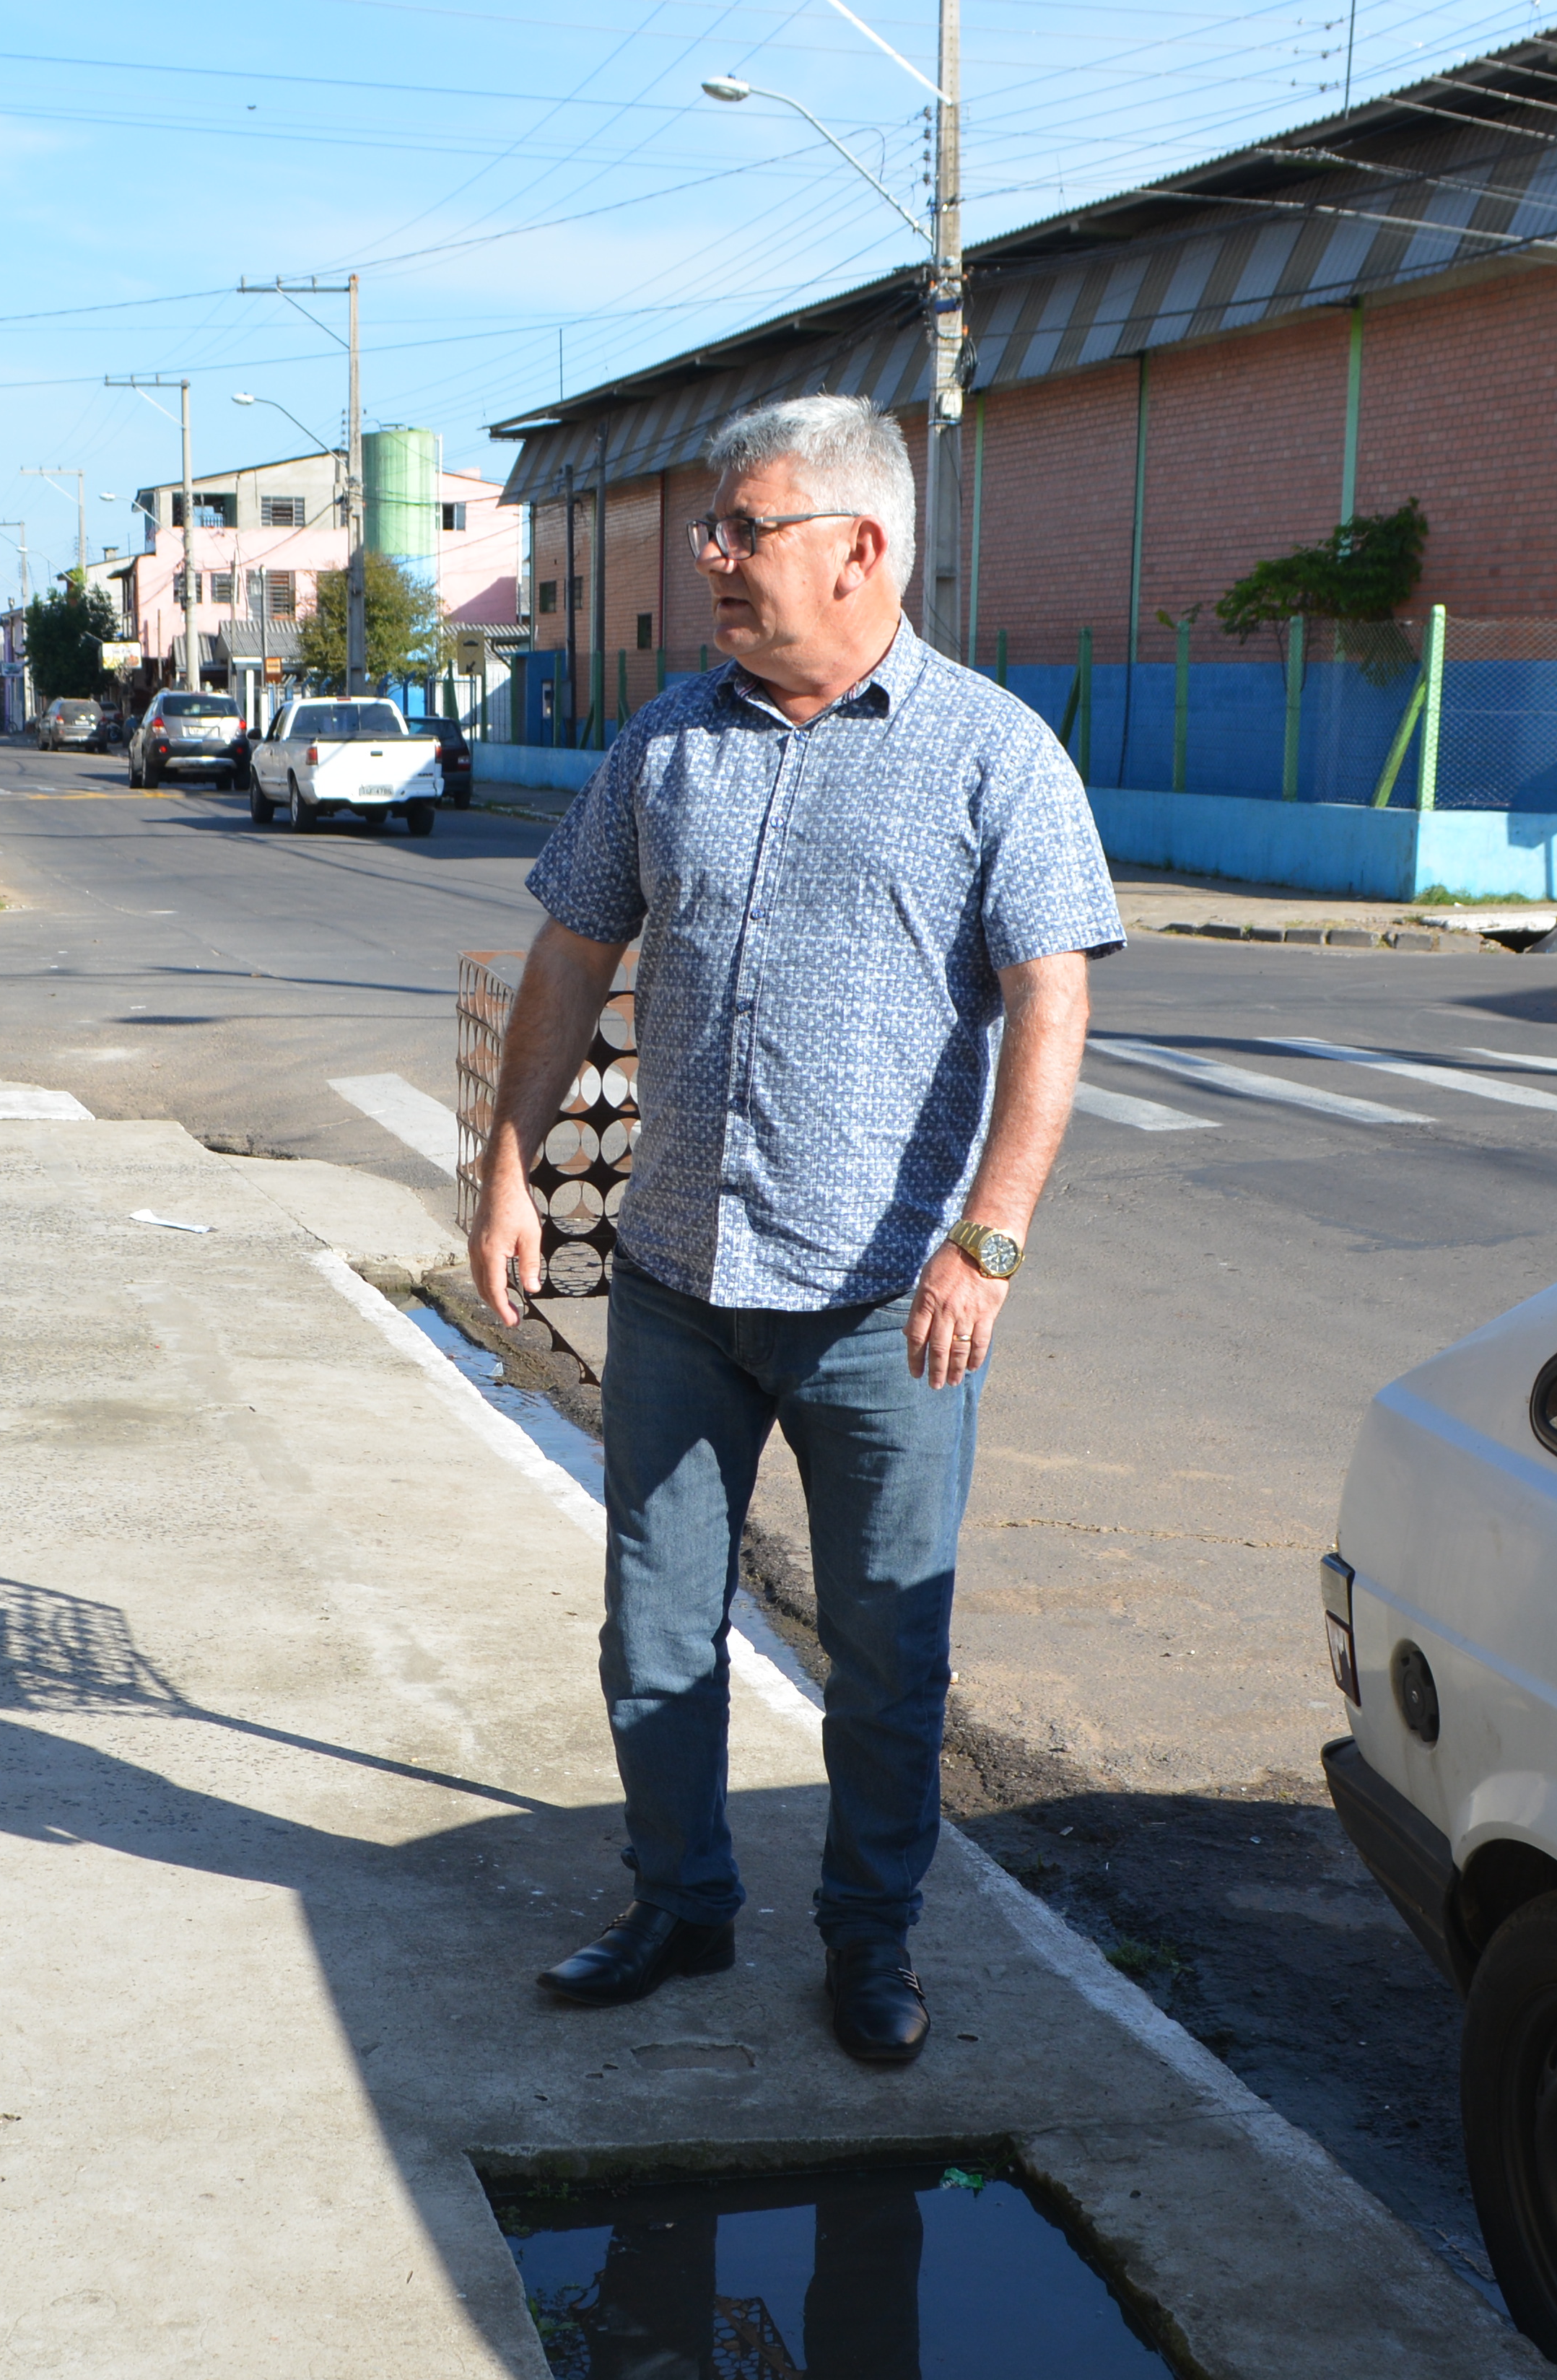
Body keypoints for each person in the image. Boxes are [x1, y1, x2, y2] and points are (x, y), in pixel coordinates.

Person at [468, 391, 1116, 2068]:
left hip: (884, 1310)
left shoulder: (995, 756)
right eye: (716, 531)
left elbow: (1051, 1002)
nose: (714, 561)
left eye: (742, 529)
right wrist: (505, 1171)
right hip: (682, 1282)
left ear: (861, 546)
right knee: (652, 1625)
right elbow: (565, 958)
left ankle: (872, 1940)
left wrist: (993, 1236)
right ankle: (680, 1903)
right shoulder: (667, 742)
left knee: (890, 1649)